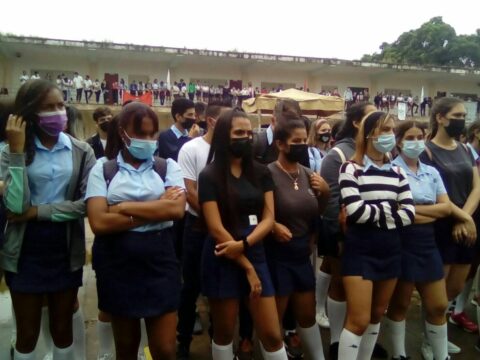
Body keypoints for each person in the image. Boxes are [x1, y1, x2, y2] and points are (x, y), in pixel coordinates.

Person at [1, 79, 96, 360]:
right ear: (29, 114)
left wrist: (39, 211)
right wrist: (17, 153)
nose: (58, 113)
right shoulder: (8, 152)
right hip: (23, 249)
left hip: (65, 247)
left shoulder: (81, 151)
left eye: (60, 105)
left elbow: (87, 205)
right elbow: (16, 207)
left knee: (62, 328)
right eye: (48, 107)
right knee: (27, 334)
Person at [86, 102, 186, 359]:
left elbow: (176, 211)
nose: (149, 140)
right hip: (118, 264)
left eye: (153, 134)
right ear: (123, 133)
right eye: (141, 134)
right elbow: (98, 223)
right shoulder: (104, 169)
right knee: (127, 348)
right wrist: (157, 208)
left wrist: (122, 207)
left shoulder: (167, 167)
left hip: (160, 262)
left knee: (164, 349)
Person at [198, 108, 288, 360]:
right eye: (239, 133)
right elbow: (215, 228)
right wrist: (246, 265)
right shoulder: (209, 176)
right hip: (223, 254)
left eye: (249, 133)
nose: (246, 138)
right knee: (225, 332)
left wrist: (246, 244)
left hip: (254, 249)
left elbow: (269, 217)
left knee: (271, 334)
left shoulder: (261, 172)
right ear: (224, 136)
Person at [337, 111, 415, 360]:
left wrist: (378, 212)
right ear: (370, 133)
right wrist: (390, 210)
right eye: (386, 130)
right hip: (360, 249)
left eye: (393, 130)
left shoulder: (398, 172)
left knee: (376, 314)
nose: (391, 135)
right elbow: (355, 212)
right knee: (358, 320)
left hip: (391, 248)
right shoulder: (351, 168)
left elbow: (410, 214)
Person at [318, 102, 385, 360]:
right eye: (371, 115)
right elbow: (333, 199)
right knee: (340, 284)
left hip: (375, 235)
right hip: (345, 233)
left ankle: (359, 341)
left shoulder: (380, 154)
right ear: (357, 122)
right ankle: (337, 341)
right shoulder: (337, 155)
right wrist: (340, 235)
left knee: (367, 293)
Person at [385, 120, 451, 360]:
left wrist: (411, 210)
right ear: (399, 141)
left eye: (420, 137)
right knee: (400, 305)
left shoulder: (431, 172)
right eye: (410, 138)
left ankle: (441, 355)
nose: (416, 142)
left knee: (438, 305)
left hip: (427, 243)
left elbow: (445, 209)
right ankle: (399, 355)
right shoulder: (390, 170)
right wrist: (426, 210)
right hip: (402, 242)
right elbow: (396, 212)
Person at [419, 97, 480, 357]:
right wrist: (459, 219)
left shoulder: (467, 150)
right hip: (441, 228)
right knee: (437, 293)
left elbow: (477, 188)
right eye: (456, 115)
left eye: (464, 115)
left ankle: (438, 332)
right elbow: (429, 192)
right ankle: (428, 339)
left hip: (466, 226)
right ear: (440, 118)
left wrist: (465, 218)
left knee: (454, 288)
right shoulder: (426, 152)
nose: (461, 120)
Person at [266, 116, 330, 360]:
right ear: (281, 144)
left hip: (302, 253)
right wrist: (272, 225)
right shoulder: (267, 174)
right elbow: (255, 212)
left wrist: (324, 192)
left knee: (307, 315)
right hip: (277, 254)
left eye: (305, 140)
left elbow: (318, 211)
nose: (302, 145)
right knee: (276, 317)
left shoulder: (308, 174)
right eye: (296, 141)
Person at [176, 102, 230, 360]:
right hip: (198, 227)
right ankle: (183, 340)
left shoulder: (232, 149)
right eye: (225, 120)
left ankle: (220, 341)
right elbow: (189, 191)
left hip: (227, 227)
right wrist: (214, 220)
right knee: (191, 285)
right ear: (210, 120)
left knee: (221, 287)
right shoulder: (191, 148)